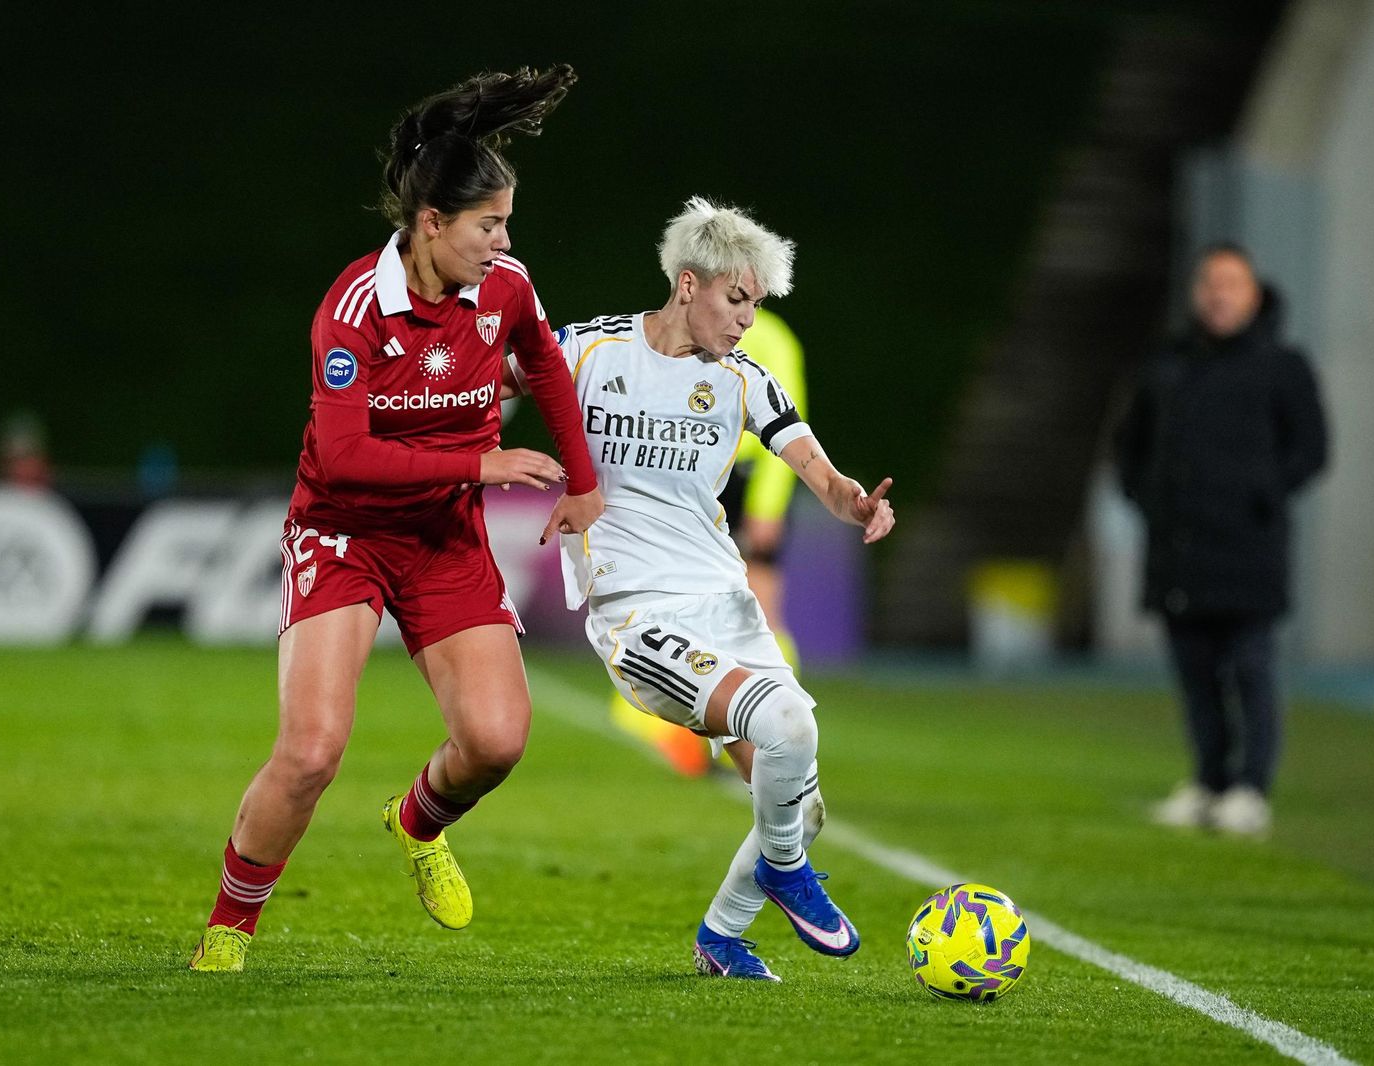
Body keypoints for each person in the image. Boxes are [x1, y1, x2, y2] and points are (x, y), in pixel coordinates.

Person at [188, 66, 604, 972]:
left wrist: (582, 482)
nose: (503, 242)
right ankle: (230, 927)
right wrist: (481, 462)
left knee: (496, 742)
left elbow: (546, 369)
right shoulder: (354, 309)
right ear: (431, 224)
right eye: (488, 225)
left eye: (504, 223)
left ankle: (417, 823)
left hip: (442, 538)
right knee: (310, 752)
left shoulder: (505, 288)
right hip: (344, 535)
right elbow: (343, 458)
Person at [505, 196, 894, 980]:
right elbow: (492, 391)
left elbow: (812, 465)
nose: (749, 320)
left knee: (797, 796)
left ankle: (723, 935)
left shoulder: (745, 382)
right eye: (738, 299)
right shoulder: (587, 351)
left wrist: (851, 500)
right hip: (637, 611)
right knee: (786, 725)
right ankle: (784, 875)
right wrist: (470, 456)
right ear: (689, 285)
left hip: (725, 603)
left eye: (757, 304)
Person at [1114, 243, 1328, 837]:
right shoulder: (1166, 364)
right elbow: (1129, 447)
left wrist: (1261, 494)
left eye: (1232, 283)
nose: (1218, 293)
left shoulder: (1283, 365)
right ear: (1195, 293)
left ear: (1254, 294)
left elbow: (1312, 450)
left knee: (1252, 671)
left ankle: (1251, 788)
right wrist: (1146, 499)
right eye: (1210, 282)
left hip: (1248, 552)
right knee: (1196, 676)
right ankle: (1209, 780)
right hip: (1178, 552)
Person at [608, 307, 808, 776]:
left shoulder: (774, 339)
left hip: (745, 479)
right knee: (675, 599)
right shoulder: (691, 330)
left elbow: (789, 424)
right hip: (696, 476)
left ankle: (777, 719)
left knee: (757, 606)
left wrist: (768, 505)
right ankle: (682, 724)